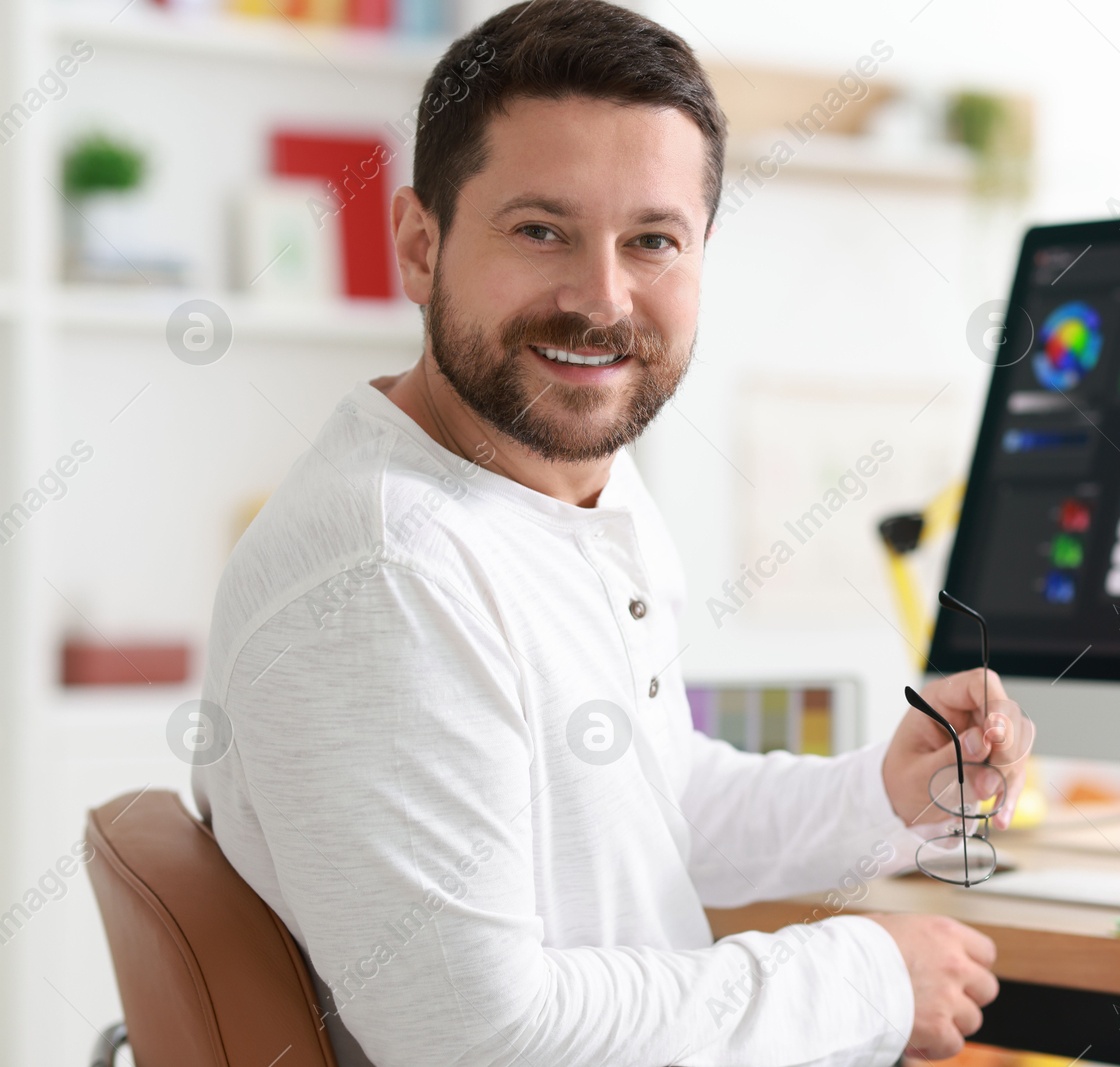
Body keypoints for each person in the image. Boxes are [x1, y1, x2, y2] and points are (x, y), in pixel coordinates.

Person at [191, 2, 1027, 1064]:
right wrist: (862, 975)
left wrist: (881, 790)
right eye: (541, 230)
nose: (601, 297)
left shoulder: (570, 491)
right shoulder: (388, 572)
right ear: (418, 242)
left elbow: (643, 801)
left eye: (652, 241)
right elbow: (480, 1034)